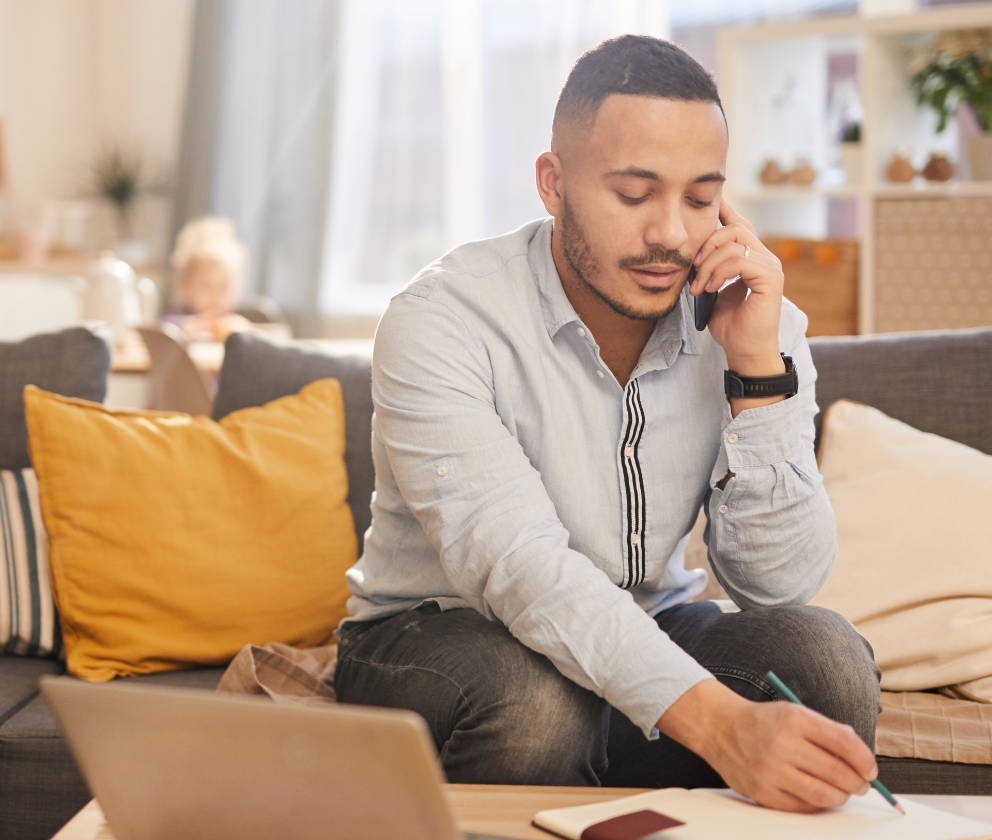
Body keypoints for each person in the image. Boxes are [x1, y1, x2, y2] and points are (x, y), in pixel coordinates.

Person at [334, 35, 881, 813]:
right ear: (553, 185)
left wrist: (756, 375)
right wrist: (724, 728)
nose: (671, 234)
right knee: (533, 706)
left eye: (700, 199)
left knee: (825, 662)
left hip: (643, 626)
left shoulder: (758, 323)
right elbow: (521, 569)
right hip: (437, 641)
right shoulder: (443, 320)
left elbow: (780, 585)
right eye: (634, 195)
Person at [165, 216, 252, 341]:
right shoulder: (176, 320)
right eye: (207, 286)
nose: (216, 296)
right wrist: (191, 327)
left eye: (224, 287)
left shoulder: (231, 323)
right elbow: (164, 333)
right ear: (185, 286)